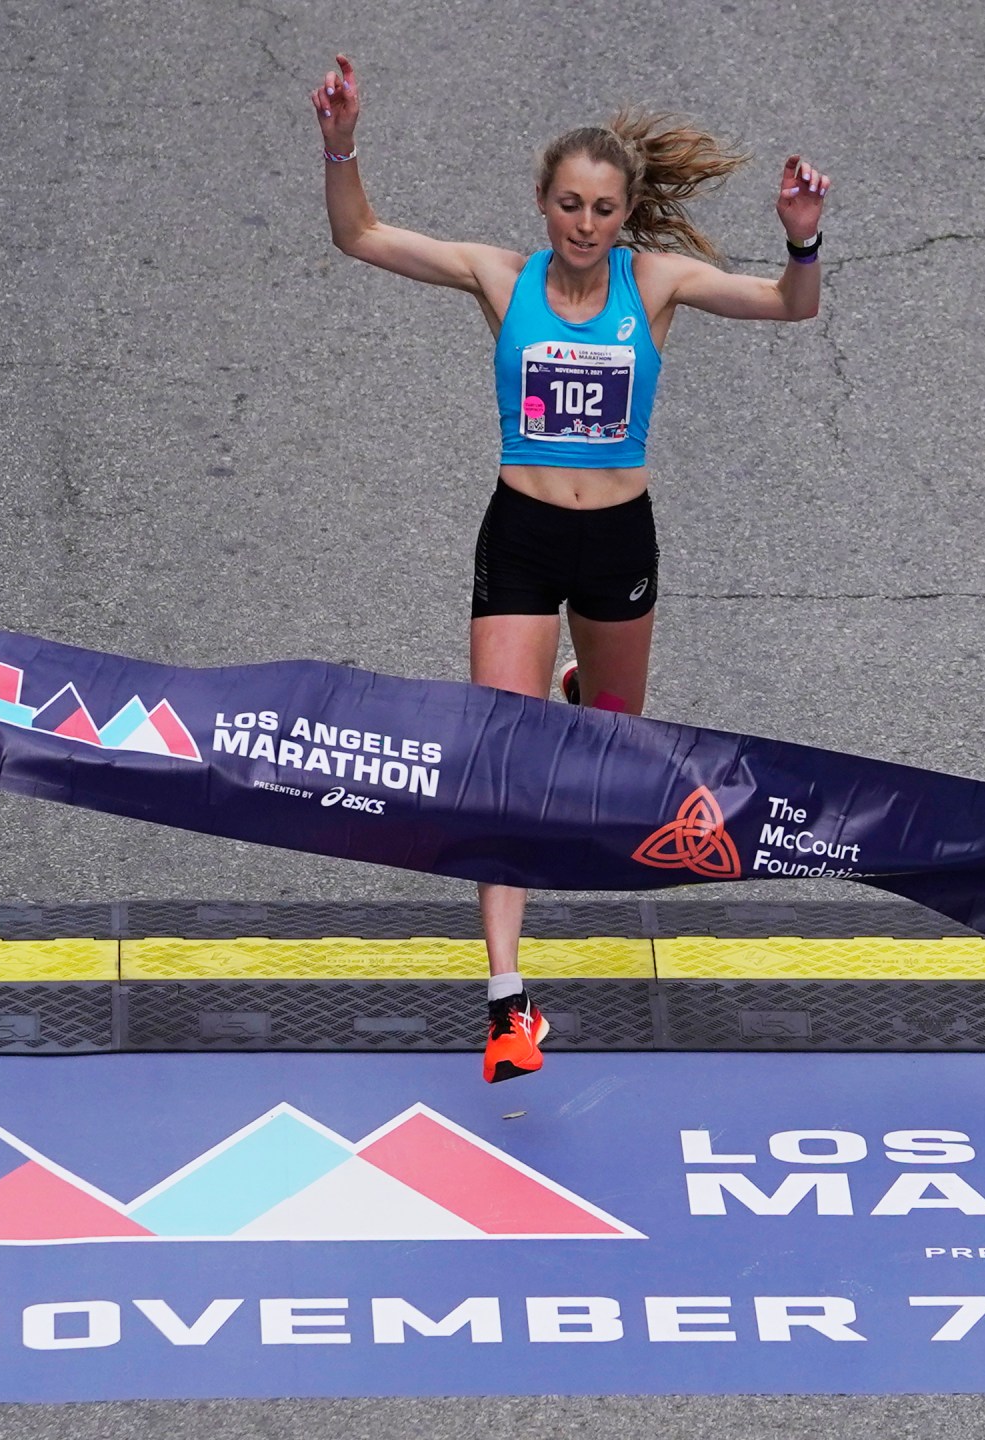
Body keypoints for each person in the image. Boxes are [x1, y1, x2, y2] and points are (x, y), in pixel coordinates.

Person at [312, 55, 828, 1083]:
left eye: (600, 210)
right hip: (523, 533)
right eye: (566, 207)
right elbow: (359, 234)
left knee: (611, 737)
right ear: (542, 207)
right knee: (498, 771)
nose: (582, 226)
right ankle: (507, 1002)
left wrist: (803, 238)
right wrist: (341, 142)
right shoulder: (503, 279)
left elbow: (790, 306)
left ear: (625, 212)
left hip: (617, 544)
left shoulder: (659, 284)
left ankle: (583, 689)